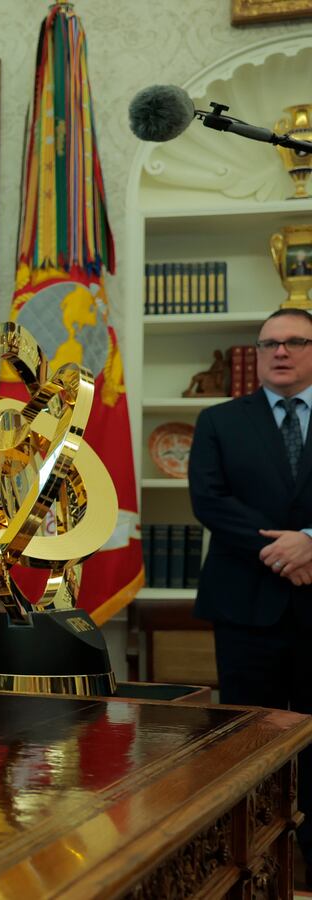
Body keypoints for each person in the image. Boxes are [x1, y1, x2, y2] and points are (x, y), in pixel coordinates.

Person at [190, 307, 312, 864]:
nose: (279, 352)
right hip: (245, 609)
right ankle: (252, 862)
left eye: (293, 342)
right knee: (248, 742)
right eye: (268, 344)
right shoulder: (219, 420)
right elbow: (209, 501)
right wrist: (286, 549)